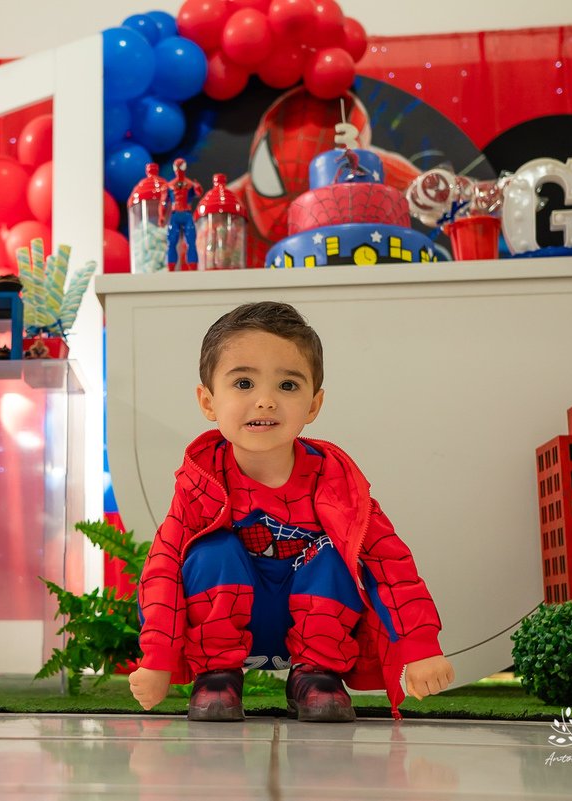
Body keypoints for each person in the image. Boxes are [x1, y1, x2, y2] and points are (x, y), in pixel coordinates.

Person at [128, 301, 454, 722]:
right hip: (224, 622)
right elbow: (163, 568)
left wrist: (420, 648)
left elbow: (389, 562)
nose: (265, 401)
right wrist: (158, 658)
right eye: (243, 383)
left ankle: (316, 678)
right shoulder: (200, 482)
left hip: (316, 627)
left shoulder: (336, 483)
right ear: (208, 402)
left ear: (313, 405)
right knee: (211, 549)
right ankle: (217, 677)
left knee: (339, 552)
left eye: (287, 386)